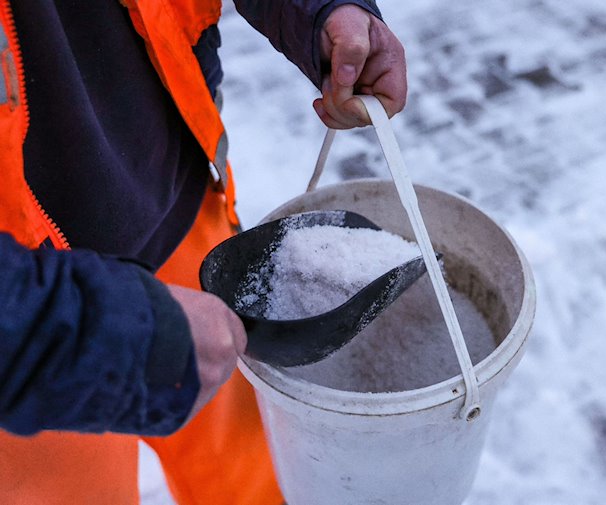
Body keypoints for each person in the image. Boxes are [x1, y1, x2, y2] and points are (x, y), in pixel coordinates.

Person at [0, 0, 406, 504]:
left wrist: (320, 10)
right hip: (32, 326)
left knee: (258, 475)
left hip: (181, 199)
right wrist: (88, 332)